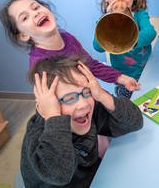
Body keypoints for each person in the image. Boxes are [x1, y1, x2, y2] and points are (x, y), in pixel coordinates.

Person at [20, 55, 143, 187]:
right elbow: (59, 174)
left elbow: (135, 122)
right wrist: (54, 117)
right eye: (69, 98)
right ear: (45, 108)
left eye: (86, 92)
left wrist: (101, 95)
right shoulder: (37, 134)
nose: (83, 104)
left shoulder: (90, 109)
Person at [0, 0, 140, 92]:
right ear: (23, 35)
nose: (35, 13)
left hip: (91, 99)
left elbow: (90, 65)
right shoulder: (40, 66)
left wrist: (121, 78)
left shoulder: (67, 38)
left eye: (36, 7)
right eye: (25, 17)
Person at [93, 0, 157, 98]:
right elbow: (98, 47)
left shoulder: (139, 14)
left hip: (146, 71)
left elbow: (150, 32)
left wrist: (130, 41)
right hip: (123, 77)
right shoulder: (105, 21)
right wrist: (107, 19)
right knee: (127, 103)